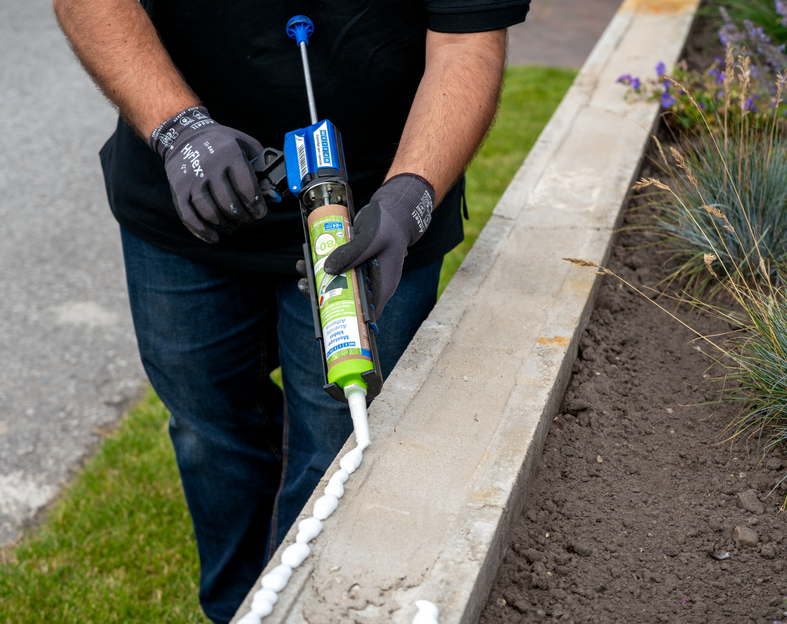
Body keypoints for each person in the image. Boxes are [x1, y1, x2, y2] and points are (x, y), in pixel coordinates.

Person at [53, 1, 529, 622]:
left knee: (337, 446)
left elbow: (467, 43)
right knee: (210, 433)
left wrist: (409, 200)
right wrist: (179, 130)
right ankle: (236, 609)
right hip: (185, 204)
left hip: (371, 221)